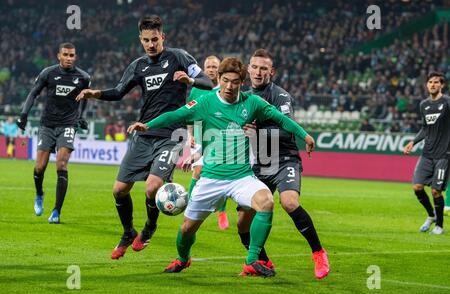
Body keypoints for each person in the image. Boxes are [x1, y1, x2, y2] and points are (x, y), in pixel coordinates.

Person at [127, 57, 315, 276]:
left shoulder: (252, 103)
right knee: (187, 229)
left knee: (266, 202)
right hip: (210, 179)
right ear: (219, 79)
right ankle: (183, 259)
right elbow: (175, 115)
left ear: (242, 82)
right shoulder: (206, 102)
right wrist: (148, 124)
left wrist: (305, 135)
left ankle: (252, 260)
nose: (229, 86)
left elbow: (282, 120)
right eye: (225, 80)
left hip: (241, 178)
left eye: (234, 82)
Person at [76, 15, 214, 259]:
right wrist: (93, 93)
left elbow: (207, 81)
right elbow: (119, 92)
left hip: (172, 135)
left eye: (155, 39)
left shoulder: (179, 57)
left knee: (153, 187)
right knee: (119, 190)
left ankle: (150, 227)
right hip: (144, 132)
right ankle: (128, 232)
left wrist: (189, 79)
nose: (151, 44)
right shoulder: (138, 65)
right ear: (140, 40)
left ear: (163, 37)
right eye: (146, 40)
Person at [236, 49, 329, 279]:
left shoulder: (281, 96)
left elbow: (287, 129)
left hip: (284, 159)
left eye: (264, 68)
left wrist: (258, 130)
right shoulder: (244, 98)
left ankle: (318, 252)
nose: (258, 72)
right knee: (242, 224)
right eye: (255, 67)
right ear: (248, 69)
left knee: (289, 202)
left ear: (271, 72)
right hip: (259, 164)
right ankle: (262, 261)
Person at [16, 42, 90, 224]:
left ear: (75, 57)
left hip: (67, 125)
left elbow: (85, 97)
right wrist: (24, 115)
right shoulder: (48, 73)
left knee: (61, 165)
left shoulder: (83, 77)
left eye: (72, 55)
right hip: (47, 125)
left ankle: (56, 211)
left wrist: (80, 116)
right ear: (59, 56)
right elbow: (33, 93)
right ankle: (39, 194)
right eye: (65, 54)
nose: (69, 58)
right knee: (40, 167)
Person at [184, 55, 230, 230]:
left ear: (220, 69)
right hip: (200, 136)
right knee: (198, 172)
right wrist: (190, 135)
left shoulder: (225, 87)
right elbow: (190, 114)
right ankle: (189, 205)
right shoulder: (196, 89)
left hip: (219, 137)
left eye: (214, 66)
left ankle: (222, 212)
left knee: (220, 174)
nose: (211, 69)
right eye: (208, 66)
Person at [403, 71, 450, 235]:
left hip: (444, 154)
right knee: (417, 187)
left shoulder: (448, 103)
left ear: (442, 85)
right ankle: (431, 215)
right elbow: (425, 128)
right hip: (427, 153)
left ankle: (439, 226)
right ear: (427, 85)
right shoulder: (423, 105)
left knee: (436, 191)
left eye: (436, 82)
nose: (433, 85)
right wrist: (412, 142)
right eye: (430, 82)